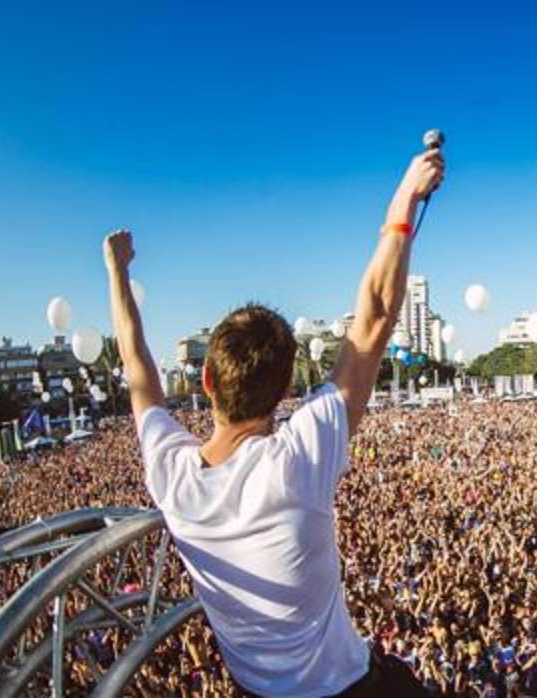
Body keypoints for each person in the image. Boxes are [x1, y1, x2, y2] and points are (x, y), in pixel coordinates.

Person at [103, 142, 444, 697]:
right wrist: (404, 198)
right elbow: (375, 319)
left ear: (206, 380)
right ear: (287, 390)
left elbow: (137, 365)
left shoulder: (171, 474)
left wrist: (117, 273)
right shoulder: (296, 459)